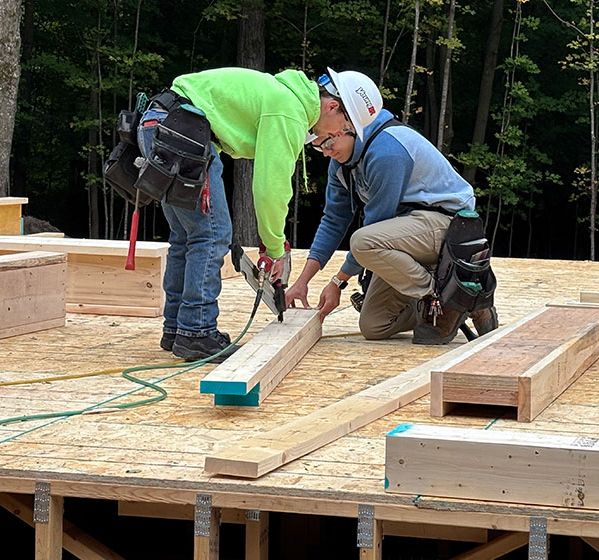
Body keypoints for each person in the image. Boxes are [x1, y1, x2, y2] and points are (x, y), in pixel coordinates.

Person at [136, 67, 382, 362]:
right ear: (332, 106)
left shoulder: (282, 96)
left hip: (161, 122)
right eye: (344, 127)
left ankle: (178, 329)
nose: (337, 135)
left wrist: (271, 243)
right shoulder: (289, 110)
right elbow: (270, 187)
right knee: (211, 235)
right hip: (183, 130)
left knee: (187, 236)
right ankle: (196, 333)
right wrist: (274, 248)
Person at [285, 107, 498, 345]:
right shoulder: (340, 165)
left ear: (349, 128)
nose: (325, 153)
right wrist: (301, 282)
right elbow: (334, 220)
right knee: (374, 325)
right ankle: (467, 302)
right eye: (318, 147)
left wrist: (337, 282)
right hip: (406, 234)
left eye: (326, 143)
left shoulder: (387, 150)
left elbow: (376, 223)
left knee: (362, 242)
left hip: (447, 226)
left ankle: (448, 299)